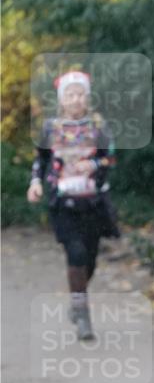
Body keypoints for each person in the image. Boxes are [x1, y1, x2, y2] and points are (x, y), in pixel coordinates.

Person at [27, 70, 118, 340]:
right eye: (70, 94)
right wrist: (35, 183)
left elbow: (110, 159)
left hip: (92, 202)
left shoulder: (98, 127)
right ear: (62, 99)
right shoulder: (50, 129)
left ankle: (76, 300)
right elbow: (41, 161)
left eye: (80, 94)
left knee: (90, 260)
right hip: (63, 204)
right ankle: (82, 314)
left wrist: (92, 164)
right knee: (75, 254)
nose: (76, 99)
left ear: (87, 98)